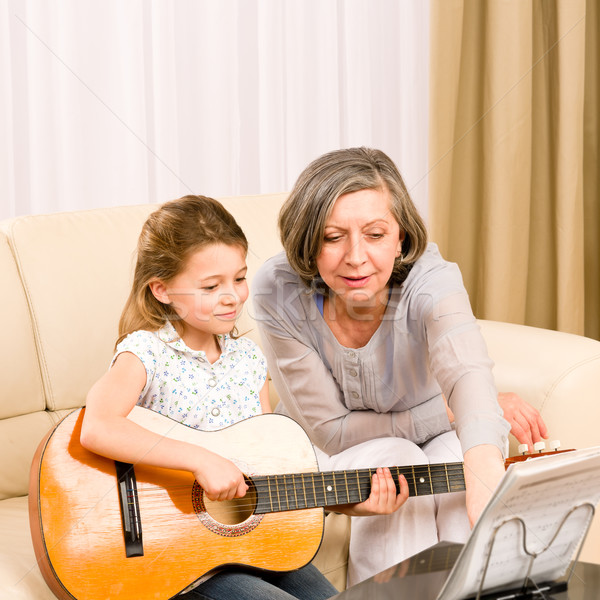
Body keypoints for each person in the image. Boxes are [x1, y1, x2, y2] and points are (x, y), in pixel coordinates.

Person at [251, 147, 548, 586]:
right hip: (320, 447)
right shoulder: (275, 288)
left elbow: (466, 368)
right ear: (306, 238)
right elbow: (330, 430)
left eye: (375, 234)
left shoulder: (433, 278)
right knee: (396, 461)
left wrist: (481, 462)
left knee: (457, 455)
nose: (356, 257)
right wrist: (448, 412)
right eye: (333, 237)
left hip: (434, 437)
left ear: (401, 237)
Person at [80, 195, 339, 600]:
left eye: (239, 278)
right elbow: (97, 426)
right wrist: (201, 460)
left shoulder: (250, 360)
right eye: (210, 286)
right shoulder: (146, 352)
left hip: (241, 543)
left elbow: (265, 462)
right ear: (162, 289)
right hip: (177, 553)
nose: (232, 296)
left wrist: (342, 497)